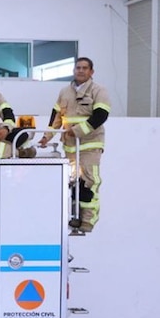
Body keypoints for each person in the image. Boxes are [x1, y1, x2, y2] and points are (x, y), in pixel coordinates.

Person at [38, 57, 110, 232]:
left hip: (89, 144)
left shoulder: (98, 90)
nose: (81, 71)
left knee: (89, 181)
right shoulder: (64, 92)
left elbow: (101, 115)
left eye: (85, 68)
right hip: (70, 146)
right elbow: (56, 117)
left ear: (91, 72)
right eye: (78, 67)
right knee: (73, 182)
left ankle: (88, 220)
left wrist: (77, 131)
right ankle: (74, 216)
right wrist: (47, 137)